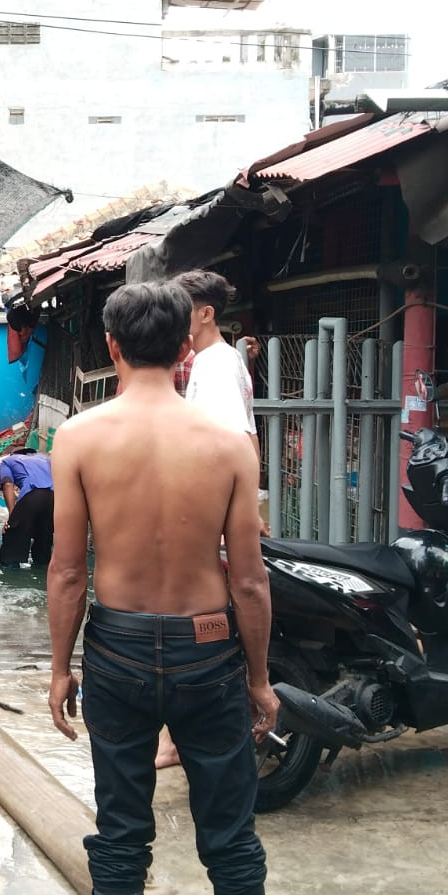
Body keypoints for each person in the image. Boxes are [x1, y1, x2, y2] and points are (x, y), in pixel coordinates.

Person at [46, 280, 278, 895]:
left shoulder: (79, 437)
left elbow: (66, 572)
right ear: (184, 347)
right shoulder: (230, 444)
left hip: (115, 646)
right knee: (231, 834)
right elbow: (249, 579)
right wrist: (259, 678)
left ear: (111, 346)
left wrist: (61, 668)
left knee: (120, 832)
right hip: (208, 646)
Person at [157, 271, 267, 771]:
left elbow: (234, 445)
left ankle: (178, 736)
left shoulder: (218, 364)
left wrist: (236, 516)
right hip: (219, 508)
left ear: (205, 314)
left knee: (191, 618)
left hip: (210, 512)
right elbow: (248, 438)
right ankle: (181, 734)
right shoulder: (211, 361)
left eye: (184, 307)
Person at [0, 448, 55, 569]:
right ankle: (43, 576)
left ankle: (11, 577)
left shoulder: (8, 461)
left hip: (33, 493)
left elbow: (8, 484)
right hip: (55, 498)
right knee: (44, 541)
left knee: (11, 543)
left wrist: (12, 519)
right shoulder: (45, 459)